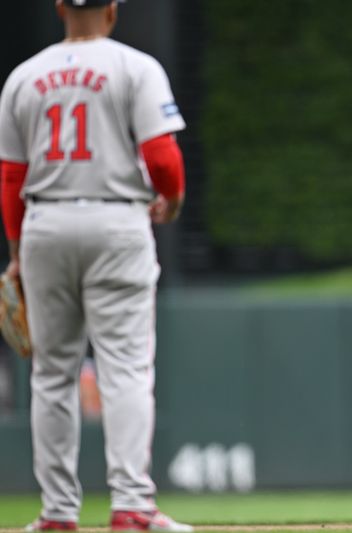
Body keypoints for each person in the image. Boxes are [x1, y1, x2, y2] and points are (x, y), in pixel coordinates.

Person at [0, 1, 191, 530]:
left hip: (45, 224)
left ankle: (58, 513)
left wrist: (17, 253)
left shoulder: (24, 76)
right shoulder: (135, 66)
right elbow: (163, 158)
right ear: (112, 9)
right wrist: (170, 203)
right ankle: (131, 504)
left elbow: (12, 177)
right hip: (117, 222)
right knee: (125, 368)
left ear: (61, 8)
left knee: (52, 374)